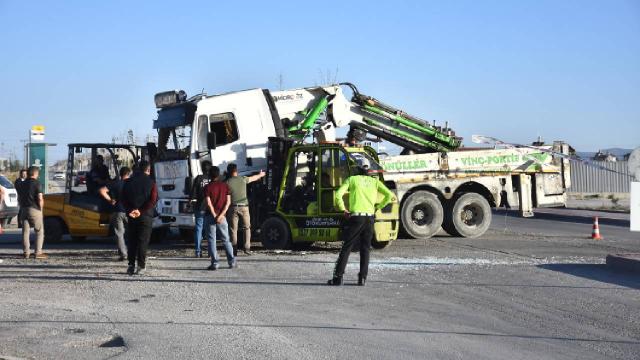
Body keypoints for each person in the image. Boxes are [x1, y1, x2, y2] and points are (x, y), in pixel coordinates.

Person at [328, 158, 394, 286]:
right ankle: (362, 278)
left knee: (347, 247)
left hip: (356, 217)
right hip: (369, 218)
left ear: (357, 168)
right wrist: (377, 207)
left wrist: (343, 209)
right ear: (368, 169)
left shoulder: (352, 180)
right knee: (365, 248)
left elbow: (338, 194)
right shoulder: (375, 182)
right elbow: (388, 195)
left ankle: (338, 278)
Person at [121, 161, 158, 275]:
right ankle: (141, 266)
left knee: (132, 240)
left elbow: (123, 198)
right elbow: (153, 200)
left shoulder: (128, 182)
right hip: (145, 215)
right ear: (148, 170)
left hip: (131, 215)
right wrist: (140, 211)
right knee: (143, 241)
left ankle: (131, 265)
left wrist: (131, 210)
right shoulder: (151, 183)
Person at [225, 163, 265, 256]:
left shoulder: (227, 182)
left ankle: (234, 250)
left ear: (228, 171)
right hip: (244, 207)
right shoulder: (243, 179)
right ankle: (247, 248)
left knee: (233, 229)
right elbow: (253, 178)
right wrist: (261, 175)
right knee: (246, 227)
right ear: (236, 170)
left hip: (233, 207)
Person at [204, 166, 235, 270]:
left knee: (212, 240)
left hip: (210, 216)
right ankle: (231, 262)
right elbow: (228, 202)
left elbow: (208, 203)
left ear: (210, 175)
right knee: (226, 239)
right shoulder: (225, 186)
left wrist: (215, 215)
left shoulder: (207, 187)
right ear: (219, 174)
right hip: (222, 217)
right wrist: (221, 215)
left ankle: (215, 263)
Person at [98, 166, 132, 261]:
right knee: (133, 233)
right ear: (128, 174)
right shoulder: (132, 184)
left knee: (119, 234)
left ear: (121, 174)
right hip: (131, 212)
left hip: (117, 211)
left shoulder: (116, 184)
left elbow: (102, 191)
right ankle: (134, 253)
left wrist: (110, 200)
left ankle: (123, 254)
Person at [17, 166, 46, 259]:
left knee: (25, 232)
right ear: (35, 173)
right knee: (39, 231)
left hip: (23, 209)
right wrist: (41, 209)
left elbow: (19, 197)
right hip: (34, 209)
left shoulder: (21, 184)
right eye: (37, 173)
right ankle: (38, 253)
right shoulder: (37, 183)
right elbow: (40, 198)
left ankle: (26, 253)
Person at [190, 160, 212, 258]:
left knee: (198, 229)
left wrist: (190, 202)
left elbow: (193, 194)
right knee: (210, 230)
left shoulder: (198, 178)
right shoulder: (213, 179)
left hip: (200, 207)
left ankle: (198, 252)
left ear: (202, 168)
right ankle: (211, 252)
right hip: (210, 208)